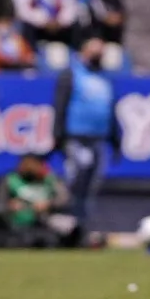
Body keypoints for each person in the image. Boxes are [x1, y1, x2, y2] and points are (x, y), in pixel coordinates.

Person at [51, 36, 120, 245]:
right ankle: (68, 231)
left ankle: (83, 228)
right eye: (94, 49)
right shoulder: (71, 74)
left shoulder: (104, 79)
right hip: (77, 139)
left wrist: (116, 139)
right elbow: (60, 106)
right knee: (74, 183)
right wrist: (58, 137)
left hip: (98, 139)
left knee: (90, 188)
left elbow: (110, 111)